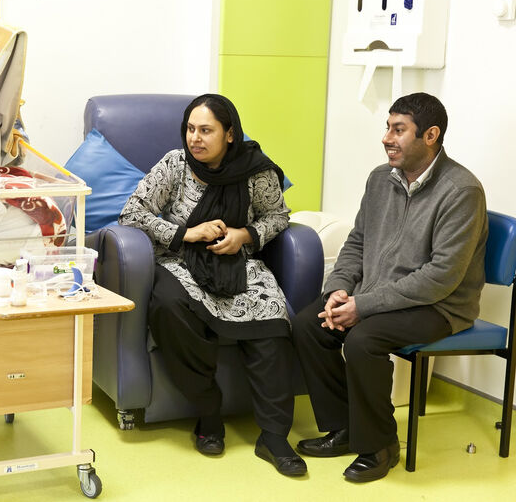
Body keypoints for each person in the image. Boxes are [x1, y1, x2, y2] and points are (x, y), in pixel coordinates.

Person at [291, 92, 487, 482]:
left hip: (441, 307)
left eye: (399, 130)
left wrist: (363, 306)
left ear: (430, 135)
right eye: (387, 127)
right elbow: (357, 243)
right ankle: (344, 428)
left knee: (363, 340)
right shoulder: (380, 179)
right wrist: (339, 290)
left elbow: (441, 277)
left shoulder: (462, 191)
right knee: (310, 324)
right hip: (381, 294)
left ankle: (379, 446)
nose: (386, 138)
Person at [119, 94, 307, 476]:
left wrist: (246, 234)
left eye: (206, 130)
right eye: (191, 129)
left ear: (230, 135)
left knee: (273, 317)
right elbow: (132, 212)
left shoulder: (257, 172)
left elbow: (279, 216)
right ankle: (208, 415)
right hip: (181, 263)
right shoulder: (175, 164)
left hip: (240, 265)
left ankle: (273, 437)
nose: (195, 139)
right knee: (168, 308)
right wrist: (185, 233)